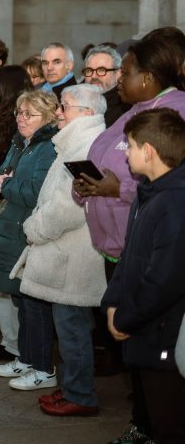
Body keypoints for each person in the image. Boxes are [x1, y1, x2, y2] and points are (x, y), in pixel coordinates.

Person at [73, 34, 185, 444]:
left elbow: (166, 176)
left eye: (126, 71)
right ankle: (144, 422)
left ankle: (156, 426)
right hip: (121, 247)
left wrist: (115, 189)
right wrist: (86, 185)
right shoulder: (133, 110)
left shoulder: (174, 113)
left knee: (156, 358)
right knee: (136, 353)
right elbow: (105, 158)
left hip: (147, 252)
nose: (119, 78)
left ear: (149, 77)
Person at [10, 84, 106, 415]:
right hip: (66, 249)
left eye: (65, 107)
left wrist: (35, 229)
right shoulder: (74, 141)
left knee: (72, 328)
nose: (59, 112)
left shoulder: (87, 145)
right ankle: (71, 389)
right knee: (68, 327)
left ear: (87, 113)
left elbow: (71, 205)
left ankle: (80, 395)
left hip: (73, 253)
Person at [102, 108, 185, 444]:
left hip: (164, 332)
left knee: (171, 425)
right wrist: (112, 303)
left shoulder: (175, 201)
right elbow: (129, 256)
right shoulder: (149, 192)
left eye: (130, 146)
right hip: (144, 326)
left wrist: (125, 317)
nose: (126, 154)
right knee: (152, 411)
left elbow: (165, 279)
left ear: (149, 151)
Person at [0, 91, 59, 373]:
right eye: (19, 113)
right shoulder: (20, 142)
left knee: (32, 305)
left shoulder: (48, 148)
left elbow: (37, 192)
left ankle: (38, 366)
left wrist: (3, 185)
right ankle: (24, 359)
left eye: (28, 114)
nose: (21, 119)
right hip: (10, 227)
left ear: (47, 117)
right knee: (21, 301)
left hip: (28, 231)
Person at [82, 45, 127, 127]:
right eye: (89, 71)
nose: (94, 76)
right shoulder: (75, 102)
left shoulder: (125, 112)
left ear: (118, 74)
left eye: (101, 70)